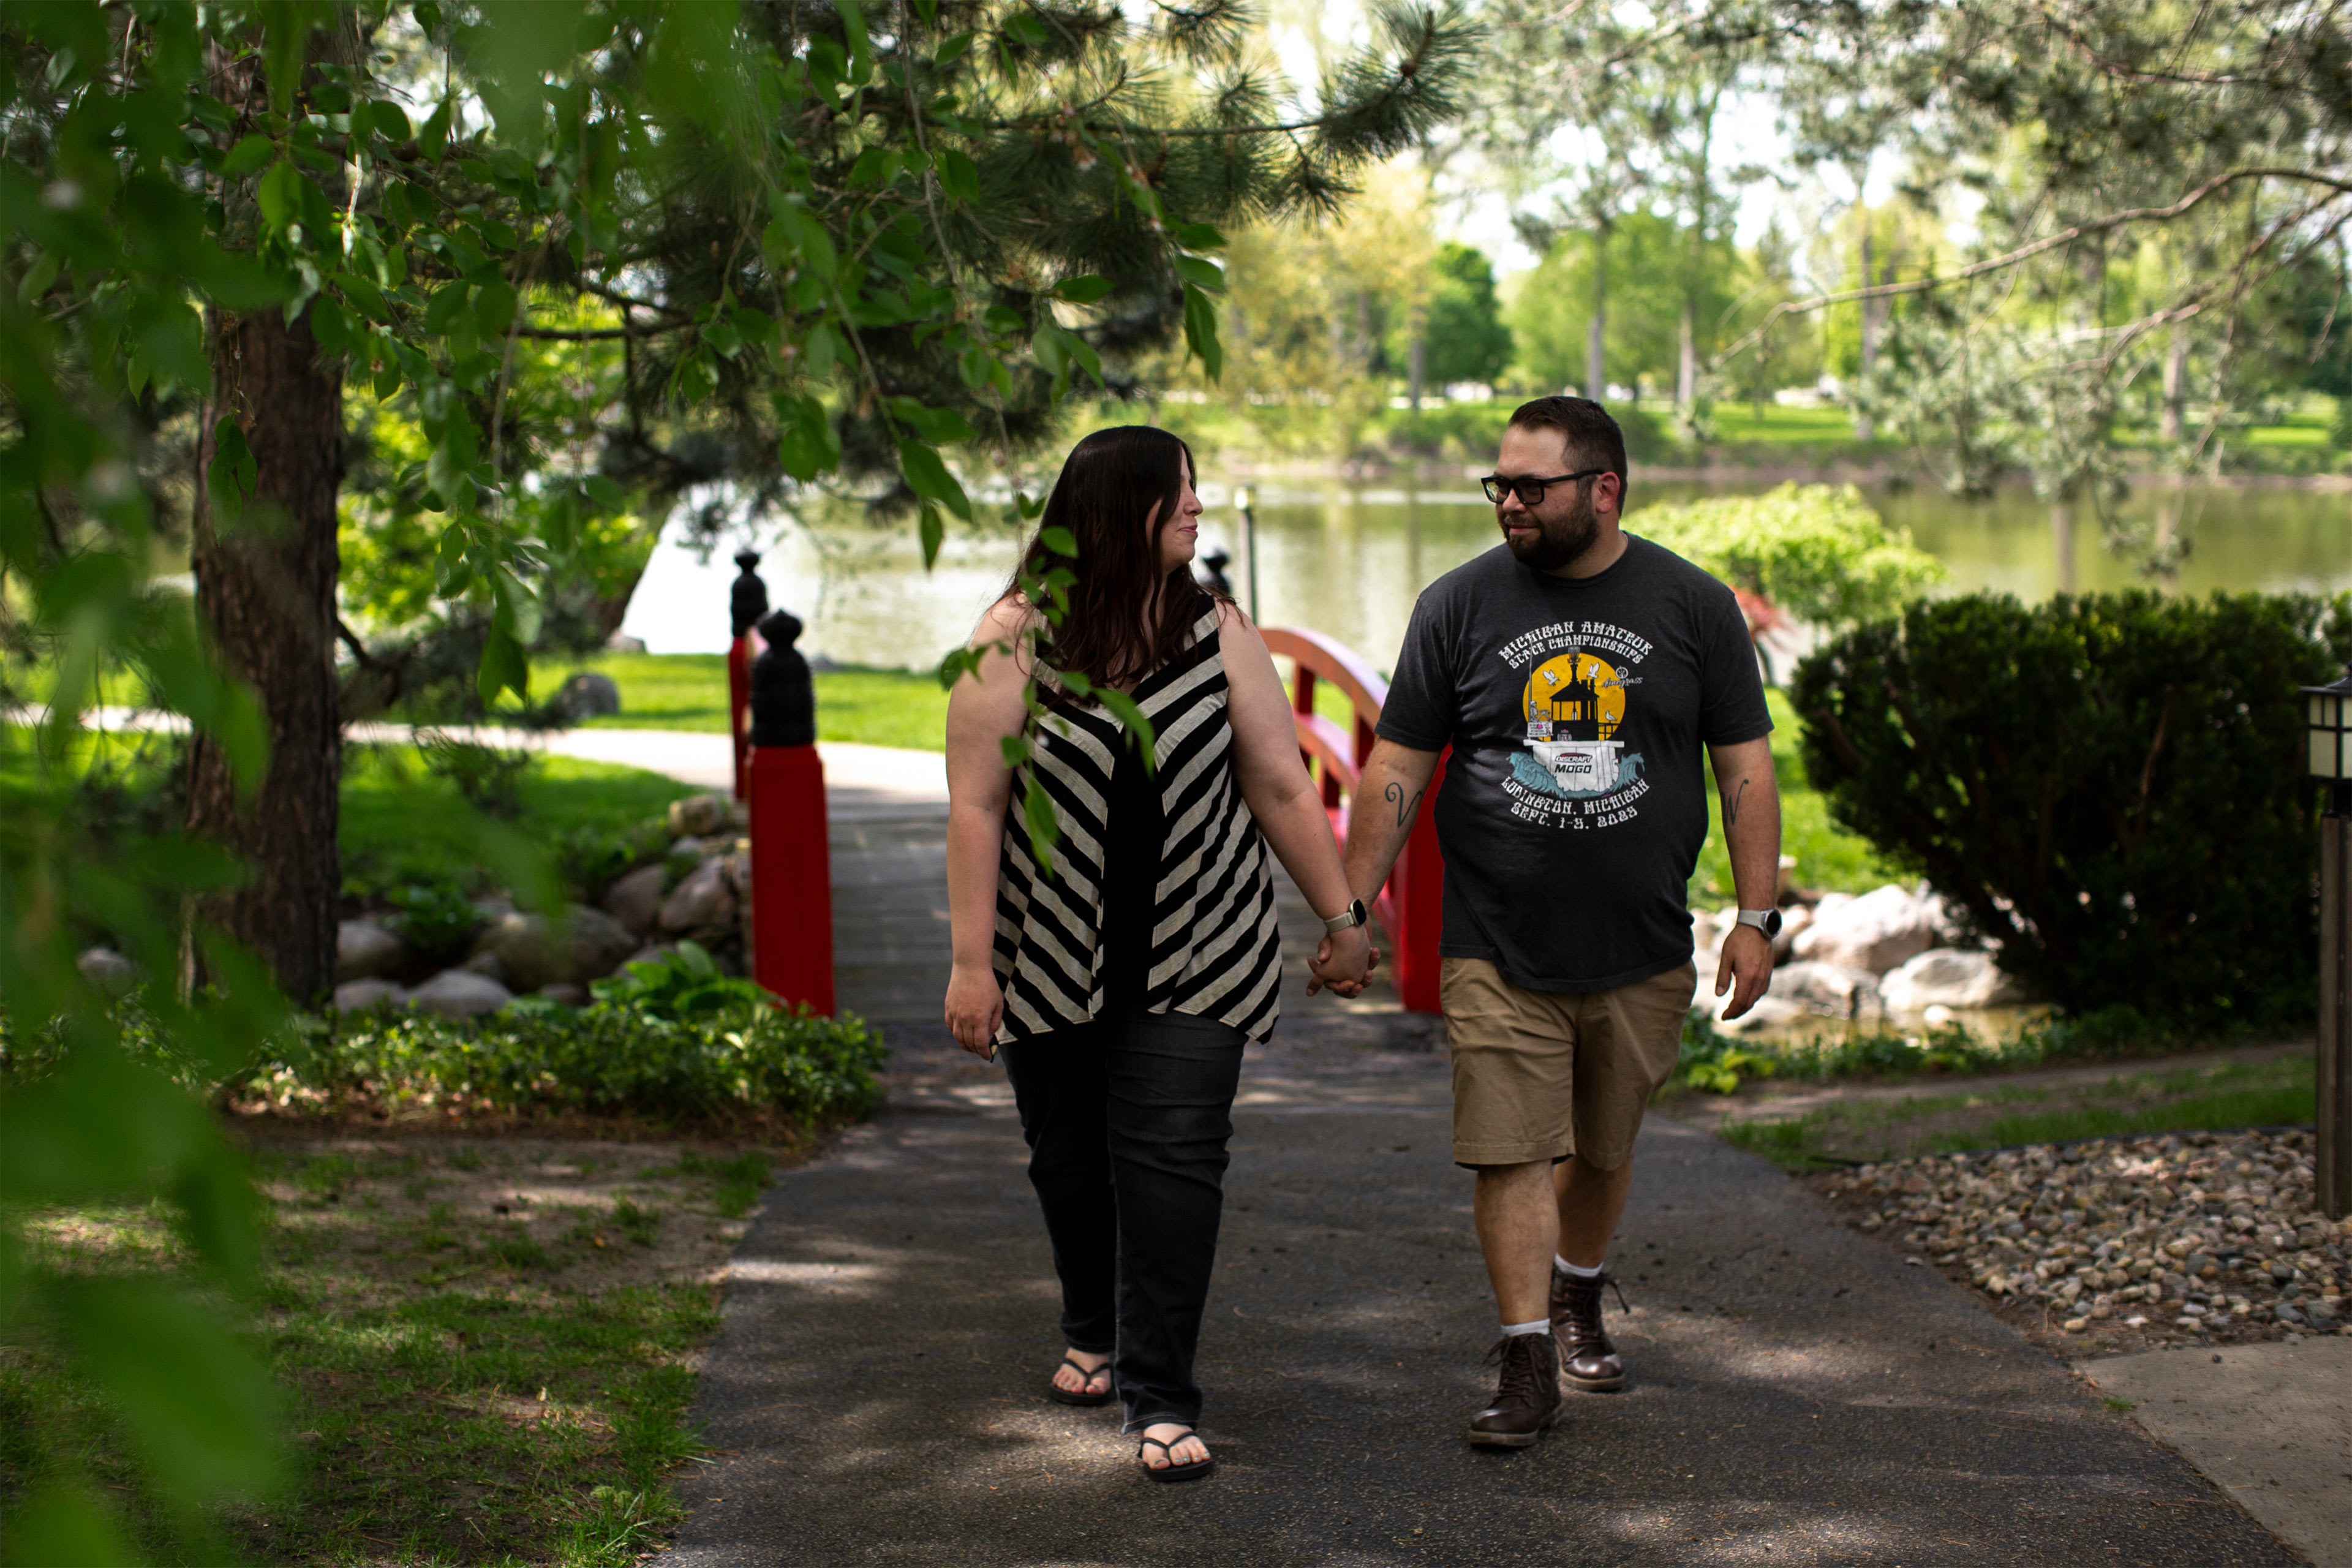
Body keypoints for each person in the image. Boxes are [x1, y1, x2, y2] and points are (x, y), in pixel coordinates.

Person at [1338, 396, 1782, 1447]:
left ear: (1605, 489)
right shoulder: (1457, 606)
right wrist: (1352, 908)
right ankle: (1527, 1357)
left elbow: (1746, 770)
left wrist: (1757, 914)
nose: (1510, 505)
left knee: (1604, 1145)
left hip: (1640, 941)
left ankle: (1578, 1287)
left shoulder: (1691, 606)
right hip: (1495, 936)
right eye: (1501, 485)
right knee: (1510, 1151)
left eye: (1532, 487)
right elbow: (1397, 766)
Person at [942, 425, 1376, 1482]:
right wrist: (969, 963)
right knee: (1071, 1160)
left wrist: (1344, 917)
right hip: (1046, 942)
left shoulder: (1217, 626)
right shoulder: (1013, 634)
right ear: (1118, 506)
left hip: (1202, 935)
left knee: (1177, 1163)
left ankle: (1162, 1395)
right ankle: (1091, 1324)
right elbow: (975, 805)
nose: (1197, 507)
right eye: (1181, 491)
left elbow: (1280, 783)